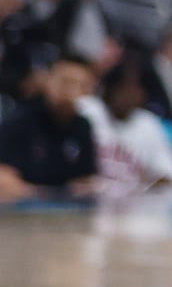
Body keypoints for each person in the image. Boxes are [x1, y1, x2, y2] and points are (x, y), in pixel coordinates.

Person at [80, 55, 172, 193]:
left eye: (136, 89)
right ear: (111, 86)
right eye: (122, 87)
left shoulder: (148, 124)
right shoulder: (87, 111)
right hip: (88, 208)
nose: (129, 94)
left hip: (132, 210)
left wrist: (150, 184)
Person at [0, 55, 100, 201]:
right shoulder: (19, 122)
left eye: (79, 85)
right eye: (65, 82)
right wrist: (46, 195)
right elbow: (4, 179)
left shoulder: (83, 127)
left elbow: (88, 181)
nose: (69, 92)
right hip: (23, 211)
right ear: (48, 80)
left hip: (68, 212)